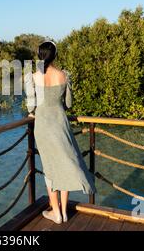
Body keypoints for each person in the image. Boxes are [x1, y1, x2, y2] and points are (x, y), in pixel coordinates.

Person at [25, 41, 96, 224]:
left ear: (40, 56)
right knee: (65, 163)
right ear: (54, 55)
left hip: (43, 126)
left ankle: (55, 213)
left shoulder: (33, 77)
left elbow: (31, 106)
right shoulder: (64, 75)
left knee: (50, 168)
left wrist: (32, 113)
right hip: (61, 123)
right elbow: (69, 104)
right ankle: (63, 211)